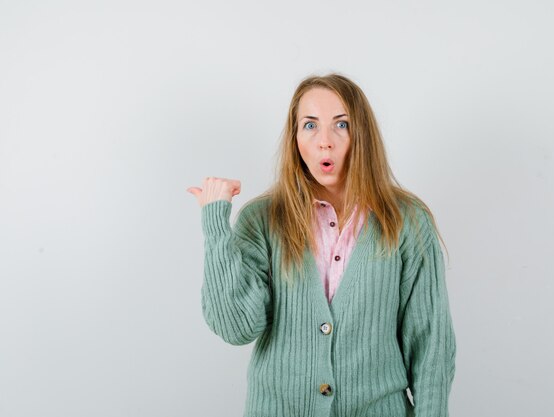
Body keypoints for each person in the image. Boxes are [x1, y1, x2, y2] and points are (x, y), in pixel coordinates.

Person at [187, 73, 456, 417]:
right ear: (295, 137)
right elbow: (236, 327)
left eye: (341, 125)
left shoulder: (406, 220)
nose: (324, 141)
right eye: (310, 126)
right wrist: (215, 223)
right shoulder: (262, 219)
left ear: (362, 135)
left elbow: (431, 345)